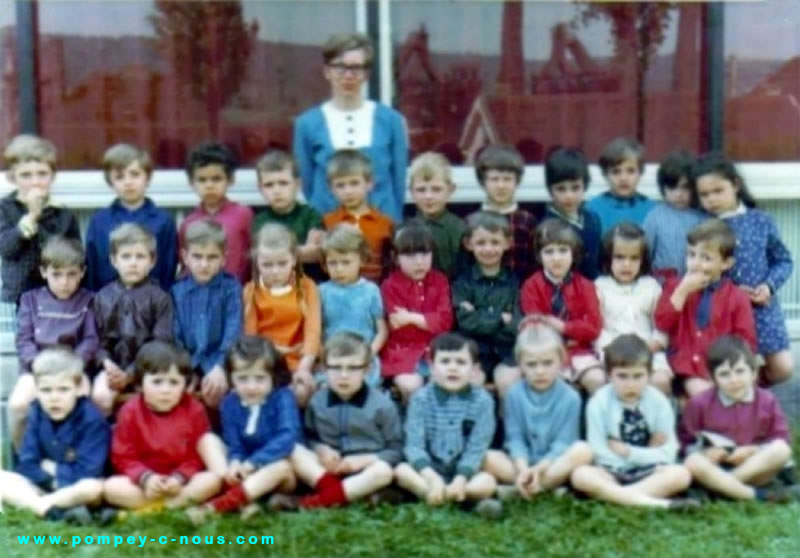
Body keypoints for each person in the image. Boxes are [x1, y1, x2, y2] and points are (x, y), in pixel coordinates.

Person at [690, 152, 794, 385]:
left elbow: (783, 260)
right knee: (733, 364)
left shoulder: (760, 220)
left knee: (783, 367)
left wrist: (769, 286)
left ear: (735, 185)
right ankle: (739, 405)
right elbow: (698, 271)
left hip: (762, 306)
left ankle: (750, 396)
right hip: (726, 309)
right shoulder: (703, 226)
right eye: (704, 194)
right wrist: (732, 293)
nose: (712, 199)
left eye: (718, 191)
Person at [570, 334, 697, 509]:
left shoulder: (659, 402)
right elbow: (598, 452)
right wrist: (647, 453)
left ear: (649, 375)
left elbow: (668, 453)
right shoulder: (599, 402)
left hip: (649, 470)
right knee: (581, 475)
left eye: (638, 376)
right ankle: (653, 502)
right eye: (622, 376)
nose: (630, 384)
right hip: (611, 471)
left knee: (681, 474)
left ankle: (618, 498)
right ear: (608, 375)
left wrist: (629, 453)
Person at [293, 32, 408, 222]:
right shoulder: (306, 124)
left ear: (367, 74)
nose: (348, 75)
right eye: (340, 67)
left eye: (356, 68)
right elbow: (307, 183)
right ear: (327, 71)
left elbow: (398, 182)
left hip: (381, 228)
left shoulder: (391, 121)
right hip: (328, 228)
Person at [187, 336, 301, 523]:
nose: (251, 386)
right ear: (231, 378)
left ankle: (216, 507)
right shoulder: (229, 404)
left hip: (277, 470)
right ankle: (245, 502)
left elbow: (288, 437)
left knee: (281, 467)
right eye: (242, 378)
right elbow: (235, 444)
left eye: (260, 378)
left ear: (273, 376)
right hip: (245, 470)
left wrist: (253, 463)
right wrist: (235, 462)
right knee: (208, 440)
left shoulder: (282, 397)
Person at [103, 341, 223, 511]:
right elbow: (123, 456)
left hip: (180, 481)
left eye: (174, 382)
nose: (165, 390)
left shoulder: (194, 409)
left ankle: (154, 509)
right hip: (144, 482)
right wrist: (146, 478)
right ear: (140, 383)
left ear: (185, 384)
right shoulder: (130, 411)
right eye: (157, 382)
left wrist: (180, 478)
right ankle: (171, 506)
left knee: (211, 481)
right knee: (111, 487)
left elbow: (196, 456)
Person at [394, 333, 503, 519]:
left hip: (466, 472)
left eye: (461, 362)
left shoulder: (483, 401)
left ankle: (448, 495)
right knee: (401, 471)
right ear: (432, 367)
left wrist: (461, 478)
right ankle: (447, 496)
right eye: (445, 361)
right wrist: (432, 477)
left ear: (474, 370)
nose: (452, 368)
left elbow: (477, 447)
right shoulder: (420, 399)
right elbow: (414, 445)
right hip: (429, 471)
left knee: (487, 481)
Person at [291, 332, 402, 508]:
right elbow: (308, 438)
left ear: (367, 370)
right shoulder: (317, 401)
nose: (343, 375)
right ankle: (342, 494)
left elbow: (397, 450)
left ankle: (320, 501)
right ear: (324, 369)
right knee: (295, 451)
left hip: (364, 469)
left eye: (352, 368)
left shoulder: (382, 405)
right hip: (329, 470)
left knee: (384, 471)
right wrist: (320, 449)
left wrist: (366, 459)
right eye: (336, 367)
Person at [681, 336, 797, 502]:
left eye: (740, 371)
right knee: (693, 461)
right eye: (724, 374)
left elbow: (780, 438)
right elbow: (686, 443)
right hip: (717, 467)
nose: (734, 380)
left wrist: (752, 450)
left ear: (753, 373)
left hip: (753, 465)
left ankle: (721, 490)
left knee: (781, 450)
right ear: (713, 378)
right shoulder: (699, 403)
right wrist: (707, 453)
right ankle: (756, 495)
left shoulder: (767, 400)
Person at [0, 348, 108, 524]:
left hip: (76, 488)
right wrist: (50, 478)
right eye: (46, 390)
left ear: (78, 388)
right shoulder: (36, 412)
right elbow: (26, 464)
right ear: (37, 390)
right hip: (44, 485)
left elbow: (89, 471)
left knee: (93, 488)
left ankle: (41, 505)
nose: (54, 398)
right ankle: (48, 509)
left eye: (63, 389)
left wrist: (55, 469)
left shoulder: (92, 420)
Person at [484, 324, 592, 500]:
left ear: (561, 360)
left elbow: (564, 442)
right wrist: (523, 468)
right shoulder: (514, 394)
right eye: (531, 365)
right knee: (487, 457)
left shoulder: (571, 397)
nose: (540, 371)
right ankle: (544, 486)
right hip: (520, 463)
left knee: (583, 451)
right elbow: (515, 438)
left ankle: (526, 488)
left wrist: (540, 467)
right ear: (520, 365)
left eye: (547, 363)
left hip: (554, 463)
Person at [10, 237, 97, 448]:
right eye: (56, 274)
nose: (64, 282)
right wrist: (38, 365)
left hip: (73, 369)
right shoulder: (29, 300)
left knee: (84, 402)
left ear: (82, 273)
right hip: (36, 370)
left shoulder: (89, 300)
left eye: (71, 274)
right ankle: (26, 458)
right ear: (44, 272)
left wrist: (74, 366)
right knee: (18, 404)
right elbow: (24, 339)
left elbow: (90, 339)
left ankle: (77, 458)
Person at [654, 219, 757, 397]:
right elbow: (662, 323)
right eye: (691, 255)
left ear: (726, 263)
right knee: (704, 393)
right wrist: (682, 291)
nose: (695, 263)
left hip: (722, 366)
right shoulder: (675, 287)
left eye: (706, 258)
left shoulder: (737, 297)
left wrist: (732, 369)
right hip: (684, 366)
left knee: (740, 396)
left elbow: (745, 339)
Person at [91, 223, 174, 416]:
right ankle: (106, 443)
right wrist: (106, 363)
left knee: (155, 399)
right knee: (101, 395)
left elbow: (160, 343)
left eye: (140, 256)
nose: (133, 263)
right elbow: (97, 340)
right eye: (126, 256)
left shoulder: (160, 298)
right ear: (114, 260)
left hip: (149, 369)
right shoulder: (102, 297)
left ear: (152, 261)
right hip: (111, 369)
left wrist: (131, 373)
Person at [519, 219, 605, 395]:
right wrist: (560, 338)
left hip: (580, 351)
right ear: (538, 256)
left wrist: (564, 327)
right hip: (546, 353)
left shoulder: (585, 286)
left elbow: (593, 327)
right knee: (552, 382)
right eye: (549, 252)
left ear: (574, 254)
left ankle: (592, 421)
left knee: (597, 379)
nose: (556, 258)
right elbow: (534, 324)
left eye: (563, 251)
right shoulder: (531, 286)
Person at [243, 223, 321, 407]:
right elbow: (251, 336)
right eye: (267, 265)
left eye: (282, 263)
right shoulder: (251, 291)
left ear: (293, 259)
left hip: (298, 360)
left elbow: (313, 330)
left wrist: (304, 366)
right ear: (256, 261)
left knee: (301, 391)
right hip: (264, 361)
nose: (275, 271)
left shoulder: (307, 287)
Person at [85, 143, 178, 292]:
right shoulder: (99, 221)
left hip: (151, 303)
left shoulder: (163, 220)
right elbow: (92, 268)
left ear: (147, 177)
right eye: (120, 177)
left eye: (135, 174)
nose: (128, 182)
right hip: (109, 304)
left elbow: (168, 268)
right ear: (110, 182)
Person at [0, 134, 81, 304]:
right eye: (26, 175)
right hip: (17, 297)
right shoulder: (5, 208)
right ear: (12, 178)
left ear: (52, 176)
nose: (35, 182)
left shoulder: (63, 214)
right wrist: (31, 217)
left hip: (55, 296)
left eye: (42, 174)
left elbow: (73, 255)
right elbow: (6, 249)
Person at [171, 219, 242, 408]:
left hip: (222, 362)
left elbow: (233, 334)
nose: (204, 264)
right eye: (197, 256)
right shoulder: (177, 292)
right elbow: (175, 337)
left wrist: (219, 367)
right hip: (188, 363)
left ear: (223, 258)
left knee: (218, 391)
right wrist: (188, 370)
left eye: (212, 257)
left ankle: (221, 434)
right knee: (180, 392)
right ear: (185, 257)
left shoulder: (231, 288)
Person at [595, 223, 672, 395]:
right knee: (604, 381)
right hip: (611, 352)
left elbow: (661, 324)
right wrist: (612, 350)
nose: (627, 264)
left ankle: (657, 420)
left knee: (660, 380)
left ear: (642, 260)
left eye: (634, 258)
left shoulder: (651, 287)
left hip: (647, 349)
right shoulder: (599, 287)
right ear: (608, 258)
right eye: (620, 258)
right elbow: (597, 328)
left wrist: (655, 343)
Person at [380, 222, 453, 403]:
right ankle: (412, 428)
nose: (419, 262)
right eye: (410, 255)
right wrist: (428, 321)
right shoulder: (390, 286)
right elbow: (400, 327)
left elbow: (445, 321)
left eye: (425, 254)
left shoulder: (440, 281)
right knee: (410, 385)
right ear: (396, 258)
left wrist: (411, 317)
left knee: (447, 381)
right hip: (403, 354)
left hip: (437, 351)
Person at [451, 211, 520, 390]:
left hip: (507, 352)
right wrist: (499, 318)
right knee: (472, 383)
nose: (488, 249)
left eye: (495, 242)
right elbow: (465, 322)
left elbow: (516, 324)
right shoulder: (462, 283)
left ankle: (505, 418)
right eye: (481, 243)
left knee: (507, 382)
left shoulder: (516, 283)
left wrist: (479, 315)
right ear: (468, 244)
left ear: (507, 243)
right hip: (474, 353)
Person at [319, 224, 388, 385]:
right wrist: (324, 356)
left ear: (362, 259)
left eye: (346, 262)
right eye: (333, 263)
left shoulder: (371, 290)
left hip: (363, 358)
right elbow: (318, 330)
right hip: (332, 359)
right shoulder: (321, 292)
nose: (339, 269)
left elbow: (382, 331)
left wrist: (368, 354)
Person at [179, 142, 253, 282]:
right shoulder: (188, 223)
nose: (209, 185)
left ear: (230, 180)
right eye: (202, 180)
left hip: (235, 294)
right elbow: (186, 265)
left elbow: (254, 257)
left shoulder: (243, 215)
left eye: (216, 179)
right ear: (191, 182)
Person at [322, 149, 394, 282]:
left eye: (354, 183)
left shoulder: (385, 223)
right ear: (331, 189)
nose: (348, 191)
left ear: (369, 183)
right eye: (340, 185)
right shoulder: (327, 222)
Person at [252, 149, 325, 271]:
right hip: (274, 283)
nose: (277, 191)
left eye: (283, 183)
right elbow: (263, 258)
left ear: (297, 185)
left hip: (309, 283)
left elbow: (315, 254)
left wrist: (276, 253)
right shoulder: (260, 221)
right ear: (260, 189)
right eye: (269, 185)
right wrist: (301, 251)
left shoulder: (311, 215)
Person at [472, 144, 537, 281]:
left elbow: (534, 265)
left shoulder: (527, 221)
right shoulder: (472, 221)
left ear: (517, 181)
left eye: (507, 179)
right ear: (483, 181)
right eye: (494, 179)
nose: (501, 185)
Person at [642, 149, 705, 282]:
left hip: (697, 286)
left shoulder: (703, 218)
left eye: (685, 188)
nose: (678, 194)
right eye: (672, 188)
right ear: (663, 187)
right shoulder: (655, 217)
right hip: (662, 287)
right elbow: (644, 255)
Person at [542, 146, 602, 279]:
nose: (568, 196)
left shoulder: (593, 219)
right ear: (550, 190)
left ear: (585, 185)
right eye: (561, 189)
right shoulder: (546, 227)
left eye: (575, 188)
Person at [407, 152, 466, 277]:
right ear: (411, 191)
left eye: (436, 189)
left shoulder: (459, 228)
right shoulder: (405, 230)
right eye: (421, 190)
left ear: (450, 190)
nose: (428, 196)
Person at [586, 137, 655, 235]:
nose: (623, 178)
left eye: (630, 171)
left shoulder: (651, 210)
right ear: (605, 175)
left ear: (640, 173)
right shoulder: (593, 209)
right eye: (616, 172)